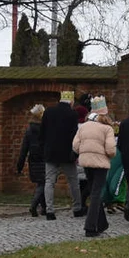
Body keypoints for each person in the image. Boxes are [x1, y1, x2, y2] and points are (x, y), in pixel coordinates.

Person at [72, 96, 116, 237]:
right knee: (96, 193)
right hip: (100, 163)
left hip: (85, 161)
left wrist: (84, 152)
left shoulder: (84, 126)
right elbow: (110, 149)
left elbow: (75, 145)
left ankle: (102, 224)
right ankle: (90, 227)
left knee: (93, 191)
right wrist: (109, 156)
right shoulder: (107, 129)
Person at [40, 91, 82, 220]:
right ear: (71, 101)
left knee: (49, 181)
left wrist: (45, 149)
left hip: (51, 152)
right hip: (67, 154)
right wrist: (75, 153)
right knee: (73, 181)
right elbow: (74, 135)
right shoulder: (72, 114)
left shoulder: (48, 112)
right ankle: (77, 208)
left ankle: (50, 211)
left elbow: (42, 133)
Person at [16, 104, 47, 217]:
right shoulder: (45, 129)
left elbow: (24, 149)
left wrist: (20, 165)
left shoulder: (29, 130)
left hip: (33, 160)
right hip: (44, 158)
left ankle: (44, 208)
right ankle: (34, 205)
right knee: (43, 183)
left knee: (41, 182)